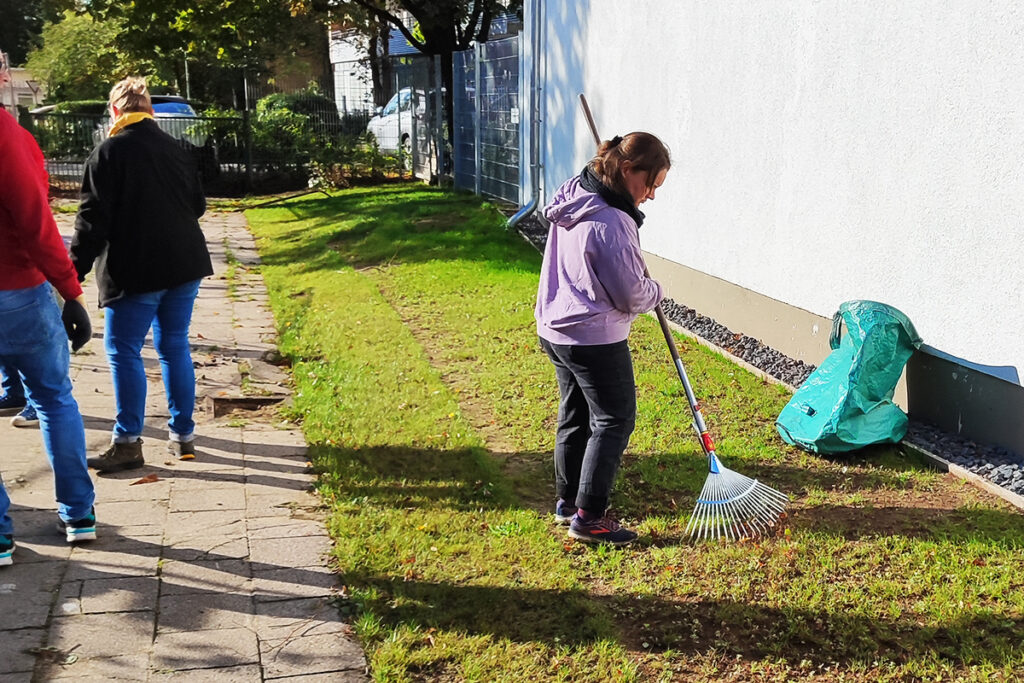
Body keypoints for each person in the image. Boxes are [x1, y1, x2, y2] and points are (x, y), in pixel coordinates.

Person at [71, 76, 213, 473]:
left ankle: (128, 442)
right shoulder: (178, 149)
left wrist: (72, 275)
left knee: (123, 352)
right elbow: (197, 206)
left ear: (115, 110)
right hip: (185, 264)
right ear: (150, 110)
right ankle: (183, 435)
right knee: (174, 346)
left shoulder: (108, 153)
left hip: (135, 269)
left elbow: (91, 222)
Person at [535, 132, 671, 547]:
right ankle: (590, 517)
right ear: (628, 170)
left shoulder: (577, 189)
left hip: (556, 328)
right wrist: (657, 290)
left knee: (575, 413)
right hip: (593, 337)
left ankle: (567, 502)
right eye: (649, 184)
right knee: (614, 420)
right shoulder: (613, 221)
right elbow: (631, 294)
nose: (649, 196)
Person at [0, 53, 97, 566]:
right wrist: (71, 290)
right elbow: (36, 222)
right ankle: (78, 513)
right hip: (18, 291)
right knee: (55, 399)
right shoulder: (8, 136)